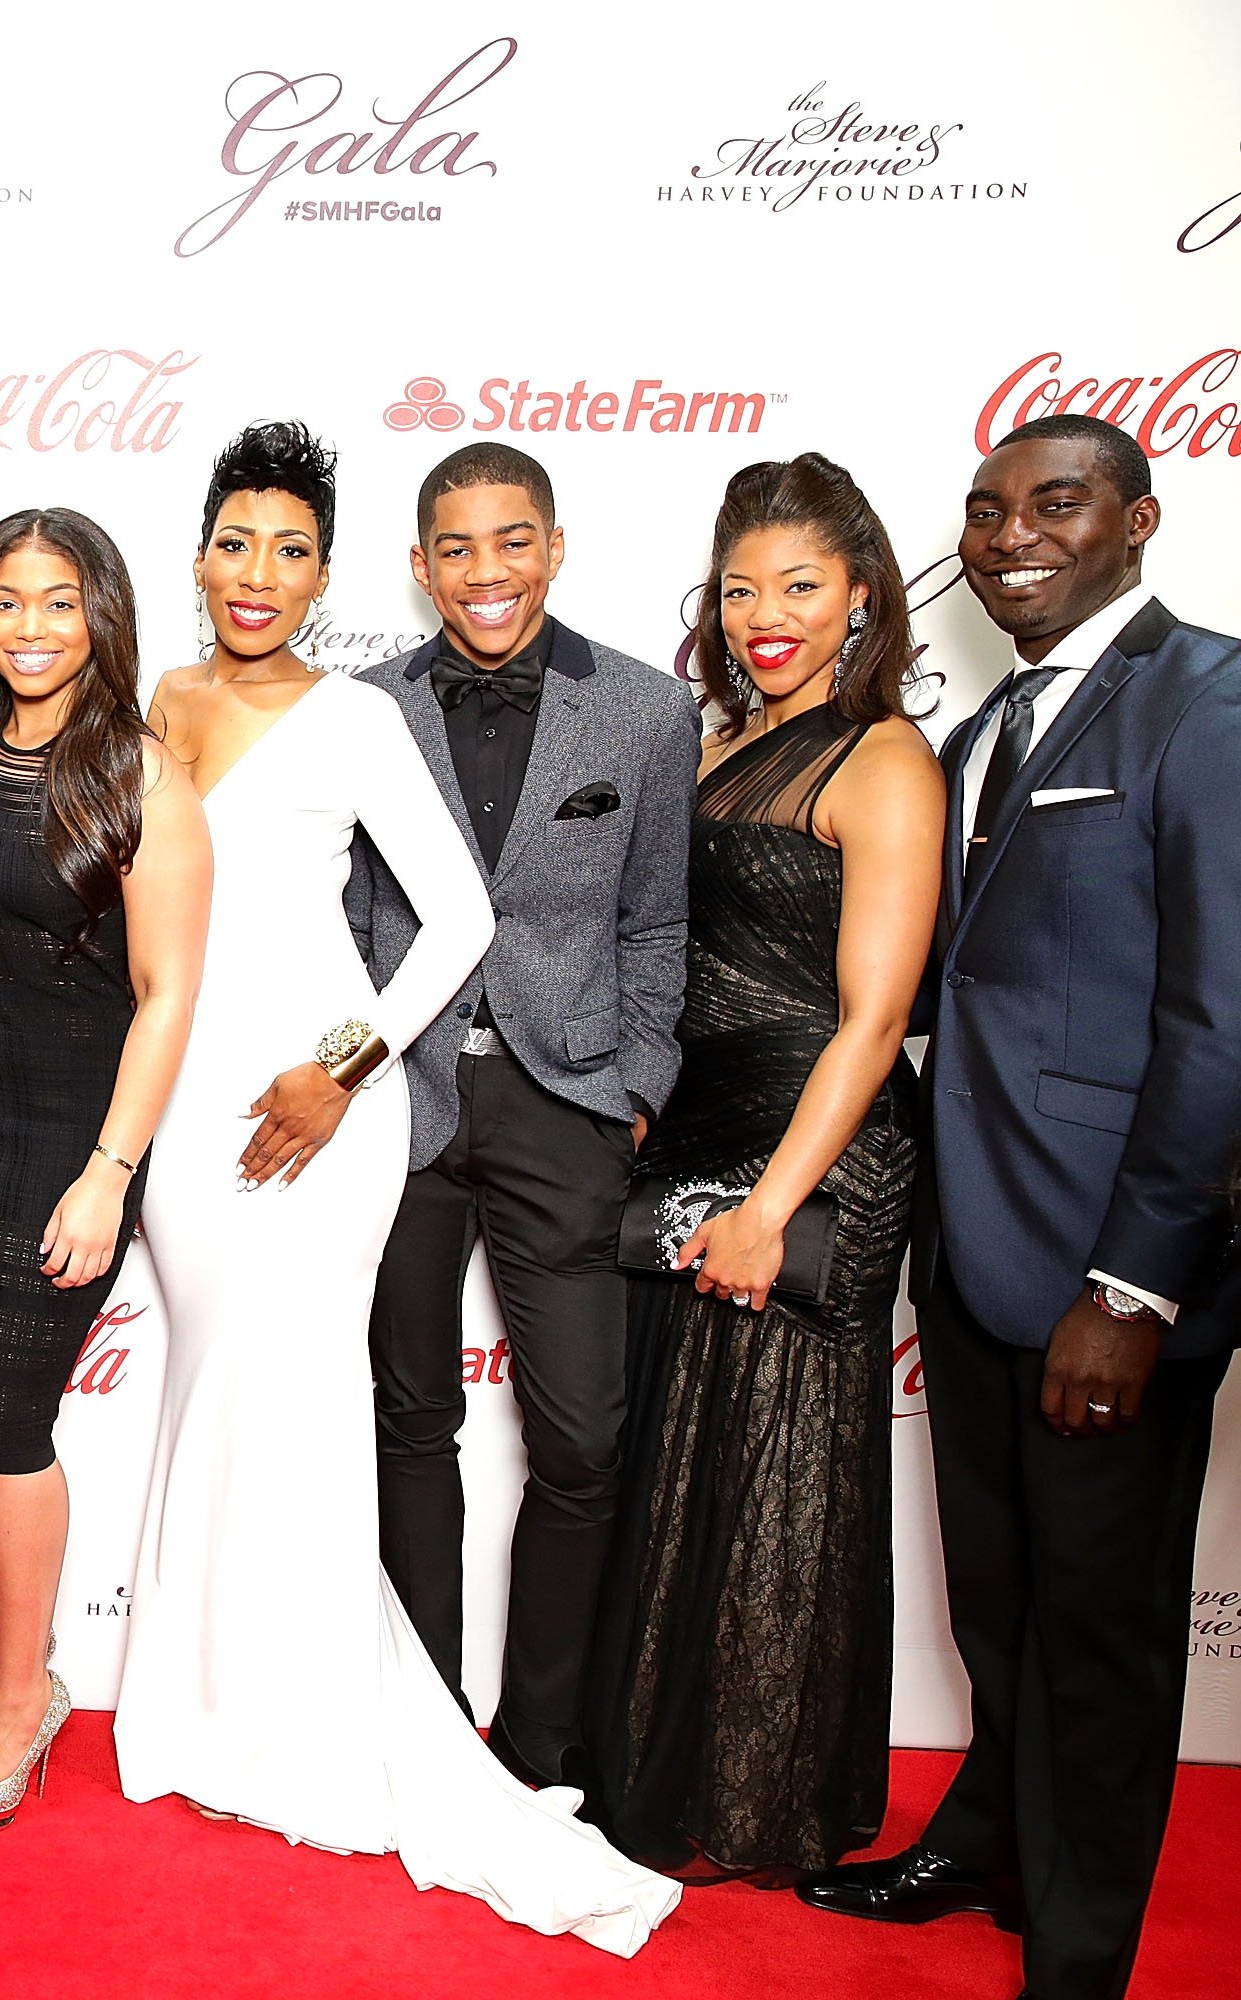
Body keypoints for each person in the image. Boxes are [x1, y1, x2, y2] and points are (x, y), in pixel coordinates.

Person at [116, 422, 676, 1953]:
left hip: (322, 1103)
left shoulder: (358, 719)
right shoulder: (153, 705)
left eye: (293, 550)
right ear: (199, 555)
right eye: (237, 542)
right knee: (209, 1396)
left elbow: (460, 925)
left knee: (301, 1401)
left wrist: (344, 1066)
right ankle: (199, 1695)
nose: (259, 574)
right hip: (184, 1111)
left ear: (329, 575)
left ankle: (313, 1721)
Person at [799, 415, 1241, 2000]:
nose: (1009, 536)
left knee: (1104, 1635)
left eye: (1056, 504)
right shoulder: (990, 725)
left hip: (1107, 1278)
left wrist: (1135, 1289)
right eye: (985, 512)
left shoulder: (1213, 702)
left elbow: (1224, 1025)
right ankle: (988, 1837)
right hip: (975, 1249)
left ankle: (1076, 1954)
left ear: (1139, 518)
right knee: (999, 1599)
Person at [581, 454, 942, 1877]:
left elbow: (876, 1017)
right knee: (686, 1464)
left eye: (799, 586)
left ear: (862, 596)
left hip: (817, 1154)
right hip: (699, 1143)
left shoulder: (885, 758)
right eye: (740, 589)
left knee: (783, 1479)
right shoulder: (719, 741)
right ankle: (658, 1771)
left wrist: (777, 1204)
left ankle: (759, 1799)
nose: (764, 614)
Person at [348, 441, 701, 1788]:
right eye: (455, 547)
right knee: (406, 1420)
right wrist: (345, 1067)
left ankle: (545, 1734)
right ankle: (423, 1720)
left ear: (553, 547)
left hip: (571, 1106)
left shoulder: (647, 714)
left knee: (585, 1441)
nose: (484, 572)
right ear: (422, 563)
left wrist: (635, 1088)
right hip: (403, 1108)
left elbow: (658, 923)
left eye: (511, 542)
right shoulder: (364, 708)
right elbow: (345, 932)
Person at [0, 508, 207, 1831]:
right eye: (7, 602)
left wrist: (107, 1171)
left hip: (65, 1143)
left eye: (58, 603)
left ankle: (23, 1693)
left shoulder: (143, 776)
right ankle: (16, 1668)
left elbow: (166, 993)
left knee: (11, 1421)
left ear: (103, 619)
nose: (29, 627)